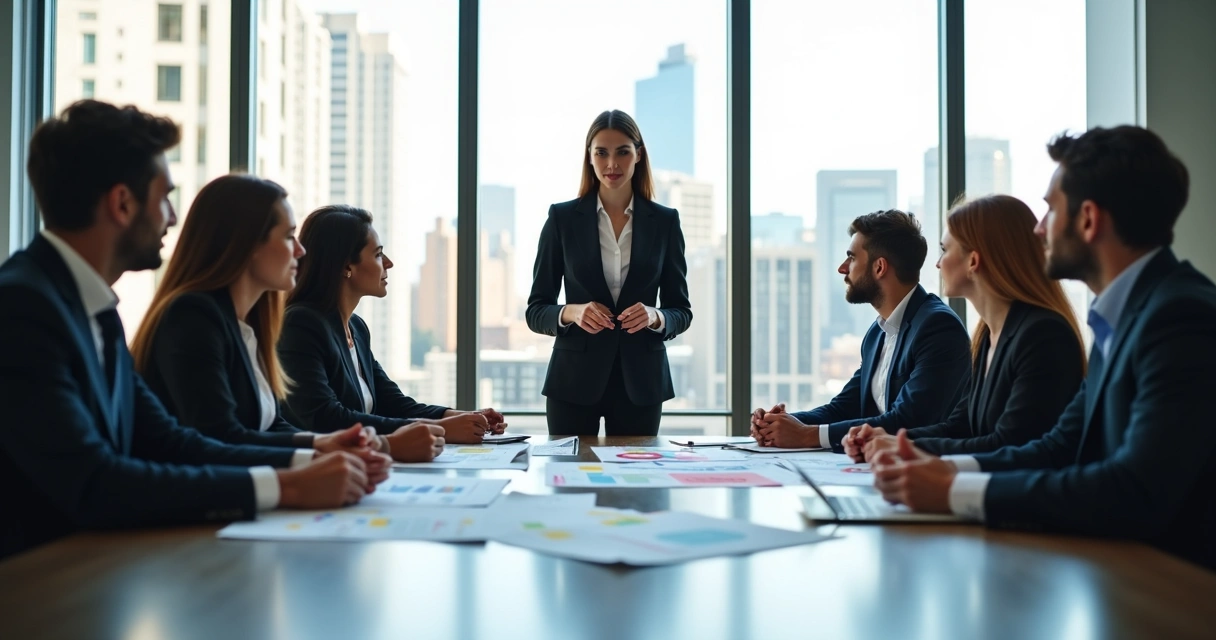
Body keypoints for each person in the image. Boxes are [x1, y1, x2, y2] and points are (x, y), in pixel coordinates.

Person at [0, 100, 389, 559]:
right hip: (39, 588)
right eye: (164, 197)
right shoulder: (23, 306)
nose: (171, 216)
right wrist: (287, 486)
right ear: (122, 203)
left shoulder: (93, 309)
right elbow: (95, 481)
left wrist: (312, 458)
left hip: (94, 568)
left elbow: (168, 441)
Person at [871, 125, 1216, 571]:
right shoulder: (1126, 315)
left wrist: (954, 491)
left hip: (1174, 591)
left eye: (1050, 210)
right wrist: (946, 472)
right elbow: (1057, 447)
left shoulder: (1177, 317)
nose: (1037, 228)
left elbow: (1135, 488)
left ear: (1089, 219)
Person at [130, 175, 443, 462]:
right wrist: (371, 448)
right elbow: (221, 438)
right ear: (248, 245)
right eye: (289, 236)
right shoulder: (194, 318)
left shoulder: (247, 325)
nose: (300, 251)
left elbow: (271, 425)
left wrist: (332, 448)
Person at [843, 195, 1087, 462]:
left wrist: (905, 448)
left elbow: (1009, 444)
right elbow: (960, 427)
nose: (937, 264)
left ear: (973, 261)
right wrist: (888, 440)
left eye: (945, 250)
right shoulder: (987, 337)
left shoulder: (1042, 336)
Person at [525, 110, 692, 436]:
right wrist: (573, 312)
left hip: (641, 384)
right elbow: (536, 311)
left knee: (637, 485)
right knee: (570, 481)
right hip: (572, 382)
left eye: (622, 152)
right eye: (601, 152)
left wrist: (654, 316)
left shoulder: (665, 222)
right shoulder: (562, 219)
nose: (611, 164)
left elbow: (681, 312)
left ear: (638, 155)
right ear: (589, 157)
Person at [278, 205, 505, 445]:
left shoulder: (356, 328)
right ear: (346, 266)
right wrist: (442, 429)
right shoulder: (300, 324)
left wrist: (464, 417)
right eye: (377, 254)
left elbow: (393, 404)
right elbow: (325, 418)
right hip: (322, 470)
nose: (388, 263)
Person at [751, 209, 970, 451]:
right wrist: (779, 423)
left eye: (852, 258)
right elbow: (845, 407)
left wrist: (805, 436)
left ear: (879, 268)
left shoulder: (937, 327)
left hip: (927, 473)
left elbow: (908, 421)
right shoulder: (877, 334)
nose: (843, 268)